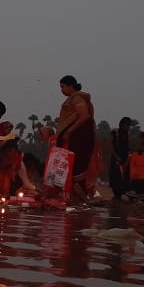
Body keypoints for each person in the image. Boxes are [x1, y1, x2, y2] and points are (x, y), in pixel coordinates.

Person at [54, 75, 96, 204]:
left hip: (78, 139)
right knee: (71, 169)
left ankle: (83, 200)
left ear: (70, 86)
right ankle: (78, 200)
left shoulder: (77, 98)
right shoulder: (73, 99)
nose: (61, 90)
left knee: (74, 170)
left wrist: (69, 131)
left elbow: (84, 116)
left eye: (63, 87)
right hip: (74, 139)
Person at [108, 117, 133, 202]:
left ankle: (124, 194)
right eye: (127, 125)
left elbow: (128, 146)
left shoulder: (128, 133)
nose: (128, 127)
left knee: (125, 176)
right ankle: (116, 195)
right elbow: (111, 146)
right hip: (116, 158)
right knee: (115, 176)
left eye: (129, 125)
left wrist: (128, 157)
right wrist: (116, 156)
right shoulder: (115, 132)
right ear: (122, 124)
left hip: (125, 158)